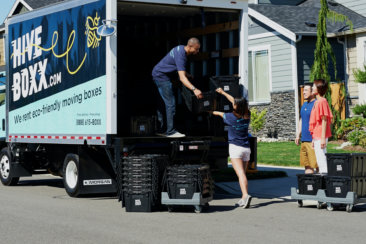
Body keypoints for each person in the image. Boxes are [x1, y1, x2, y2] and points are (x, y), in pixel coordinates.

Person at [152, 38, 203, 138]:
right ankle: (170, 131)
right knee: (170, 103)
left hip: (158, 73)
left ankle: (162, 129)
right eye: (196, 49)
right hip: (161, 76)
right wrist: (195, 89)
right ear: (190, 47)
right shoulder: (181, 56)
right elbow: (182, 78)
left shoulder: (180, 49)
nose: (198, 51)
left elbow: (176, 66)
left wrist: (187, 74)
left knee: (163, 102)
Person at [212, 87, 252, 208]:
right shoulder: (247, 114)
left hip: (236, 148)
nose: (233, 103)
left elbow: (218, 113)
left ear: (236, 107)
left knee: (240, 174)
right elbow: (234, 101)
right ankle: (242, 198)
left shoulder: (230, 117)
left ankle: (245, 195)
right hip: (246, 148)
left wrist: (210, 111)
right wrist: (223, 93)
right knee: (243, 174)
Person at [309, 79, 333, 174]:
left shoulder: (322, 101)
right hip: (316, 135)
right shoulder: (316, 102)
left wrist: (323, 138)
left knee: (322, 157)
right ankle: (323, 176)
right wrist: (313, 139)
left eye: (314, 86)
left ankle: (325, 177)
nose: (312, 87)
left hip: (320, 135)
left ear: (319, 88)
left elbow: (324, 119)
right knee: (319, 158)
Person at [295, 83, 318, 174]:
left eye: (306, 90)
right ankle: (309, 186)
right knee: (307, 167)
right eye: (303, 90)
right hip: (304, 140)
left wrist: (314, 138)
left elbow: (318, 122)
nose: (303, 92)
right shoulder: (304, 105)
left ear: (312, 92)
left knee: (317, 166)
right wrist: (298, 135)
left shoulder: (316, 104)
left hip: (312, 141)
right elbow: (301, 120)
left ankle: (321, 187)